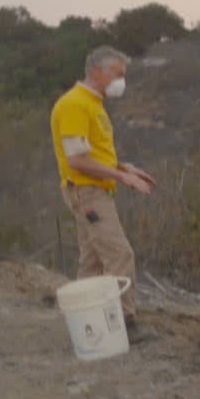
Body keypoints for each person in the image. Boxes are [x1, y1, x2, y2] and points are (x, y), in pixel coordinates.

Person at [51, 45, 157, 341]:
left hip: (93, 190)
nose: (121, 81)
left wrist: (125, 168)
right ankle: (125, 323)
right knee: (119, 254)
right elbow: (77, 161)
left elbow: (92, 154)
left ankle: (84, 323)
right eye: (117, 74)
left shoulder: (93, 104)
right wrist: (121, 177)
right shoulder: (75, 104)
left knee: (93, 260)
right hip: (87, 193)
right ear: (97, 70)